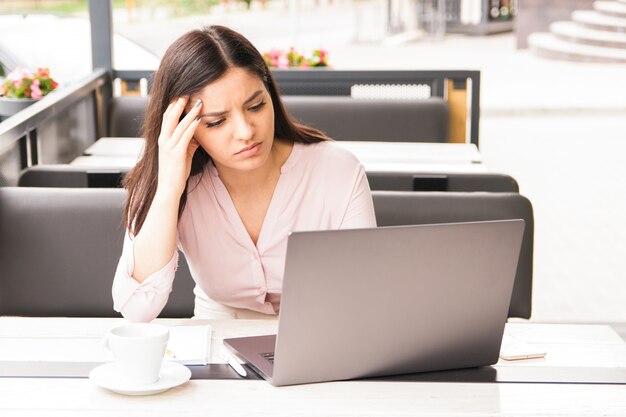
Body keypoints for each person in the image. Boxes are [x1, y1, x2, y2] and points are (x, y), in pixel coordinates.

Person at [112, 25, 376, 322]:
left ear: (271, 96)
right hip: (216, 341)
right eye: (216, 122)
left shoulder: (337, 171)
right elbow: (137, 309)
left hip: (319, 332)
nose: (246, 132)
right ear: (183, 126)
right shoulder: (172, 183)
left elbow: (362, 295)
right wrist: (169, 189)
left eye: (256, 106)